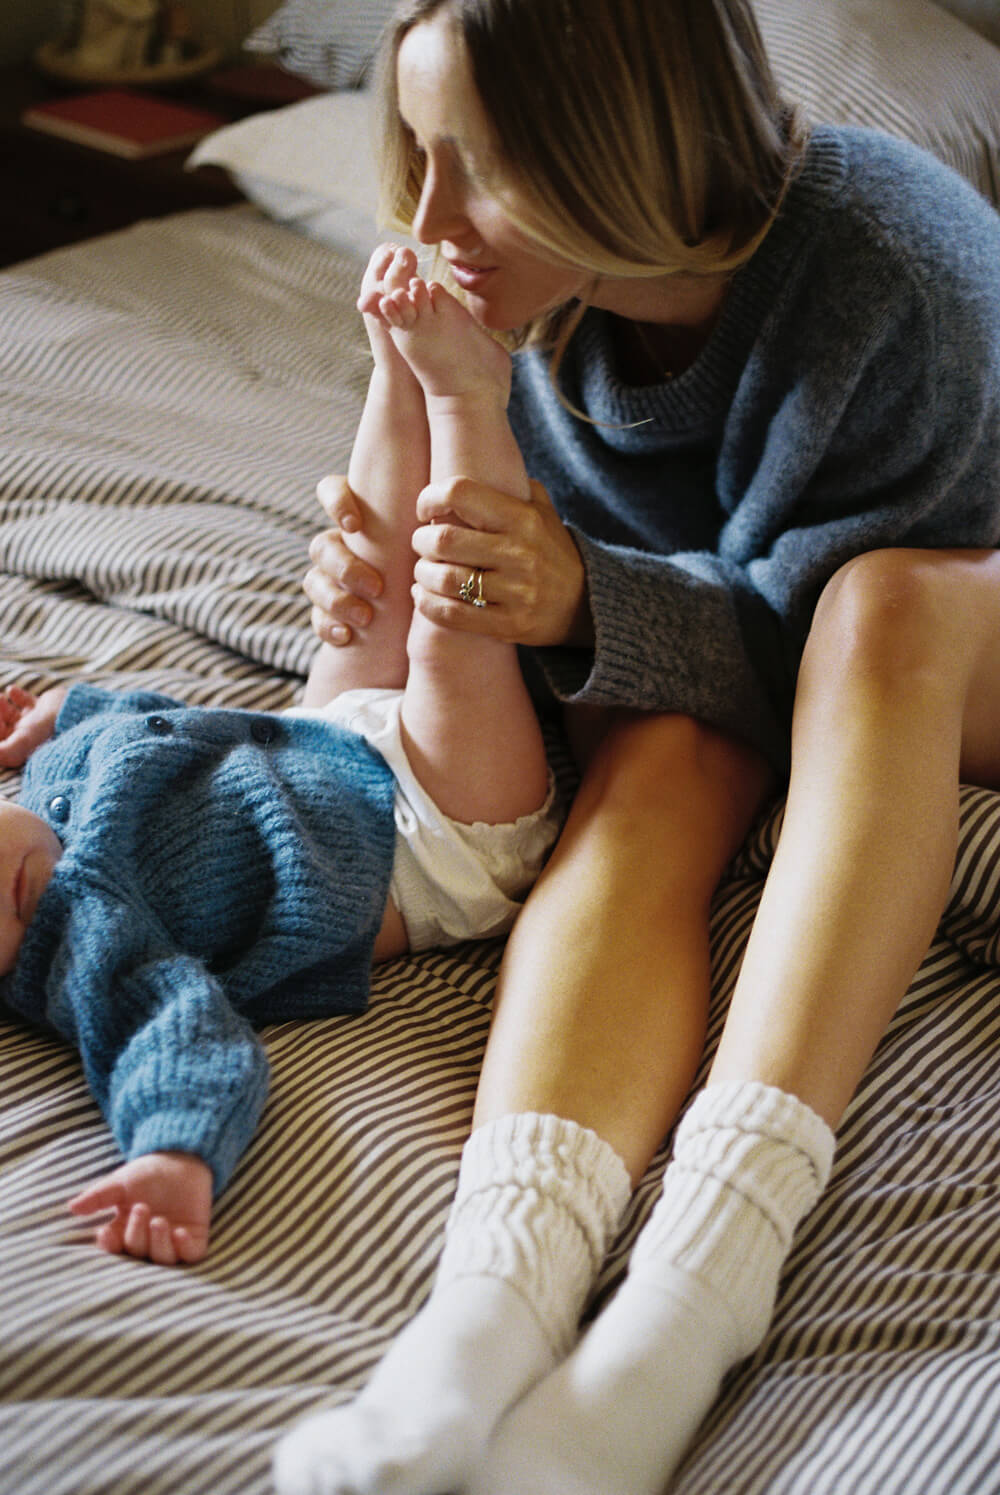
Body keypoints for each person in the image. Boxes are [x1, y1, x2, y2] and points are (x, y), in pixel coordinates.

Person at [271, 1, 1000, 1493]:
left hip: (940, 609)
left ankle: (694, 1297)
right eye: (418, 153)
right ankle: (488, 1314)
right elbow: (658, 643)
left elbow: (810, 666)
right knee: (659, 747)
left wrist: (586, 594)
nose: (429, 216)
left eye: (481, 161)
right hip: (760, 629)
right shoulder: (527, 297)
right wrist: (394, 553)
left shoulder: (894, 277)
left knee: (877, 614)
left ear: (620, 146)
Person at [0, 246, 562, 1268]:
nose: (7, 896)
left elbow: (143, 726)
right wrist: (175, 1157)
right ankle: (470, 396)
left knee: (364, 592)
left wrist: (60, 714)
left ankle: (395, 374)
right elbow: (175, 1039)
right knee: (447, 621)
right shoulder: (81, 939)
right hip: (432, 837)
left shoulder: (53, 781)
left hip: (326, 740)